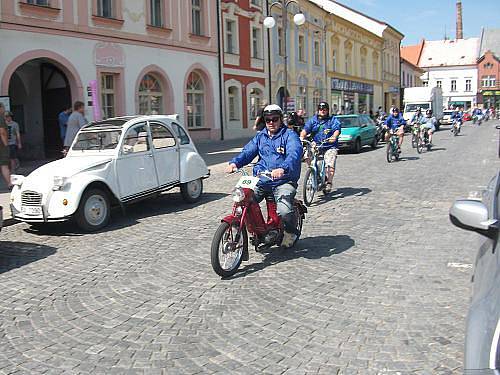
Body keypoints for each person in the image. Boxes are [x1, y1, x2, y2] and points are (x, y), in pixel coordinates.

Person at [226, 104, 302, 248]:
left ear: (280, 119)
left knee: (284, 210)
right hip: (262, 178)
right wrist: (235, 163)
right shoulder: (261, 136)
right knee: (244, 200)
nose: (271, 122)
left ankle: (290, 232)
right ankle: (260, 230)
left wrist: (283, 168)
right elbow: (248, 151)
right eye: (268, 120)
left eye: (274, 119)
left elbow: (294, 154)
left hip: (283, 180)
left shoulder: (290, 136)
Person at [299, 101, 341, 193]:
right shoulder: (313, 120)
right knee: (307, 155)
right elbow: (305, 130)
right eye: (321, 109)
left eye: (324, 109)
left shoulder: (332, 120)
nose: (322, 111)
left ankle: (329, 182)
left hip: (329, 145)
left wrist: (334, 137)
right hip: (316, 143)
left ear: (327, 111)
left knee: (330, 163)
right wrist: (301, 137)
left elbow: (336, 129)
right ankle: (313, 171)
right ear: (318, 110)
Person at [0, 103, 11, 189]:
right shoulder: (0, 118)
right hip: (1, 146)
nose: (4, 109)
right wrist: (6, 144)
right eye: (3, 108)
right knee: (4, 165)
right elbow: (2, 132)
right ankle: (9, 183)